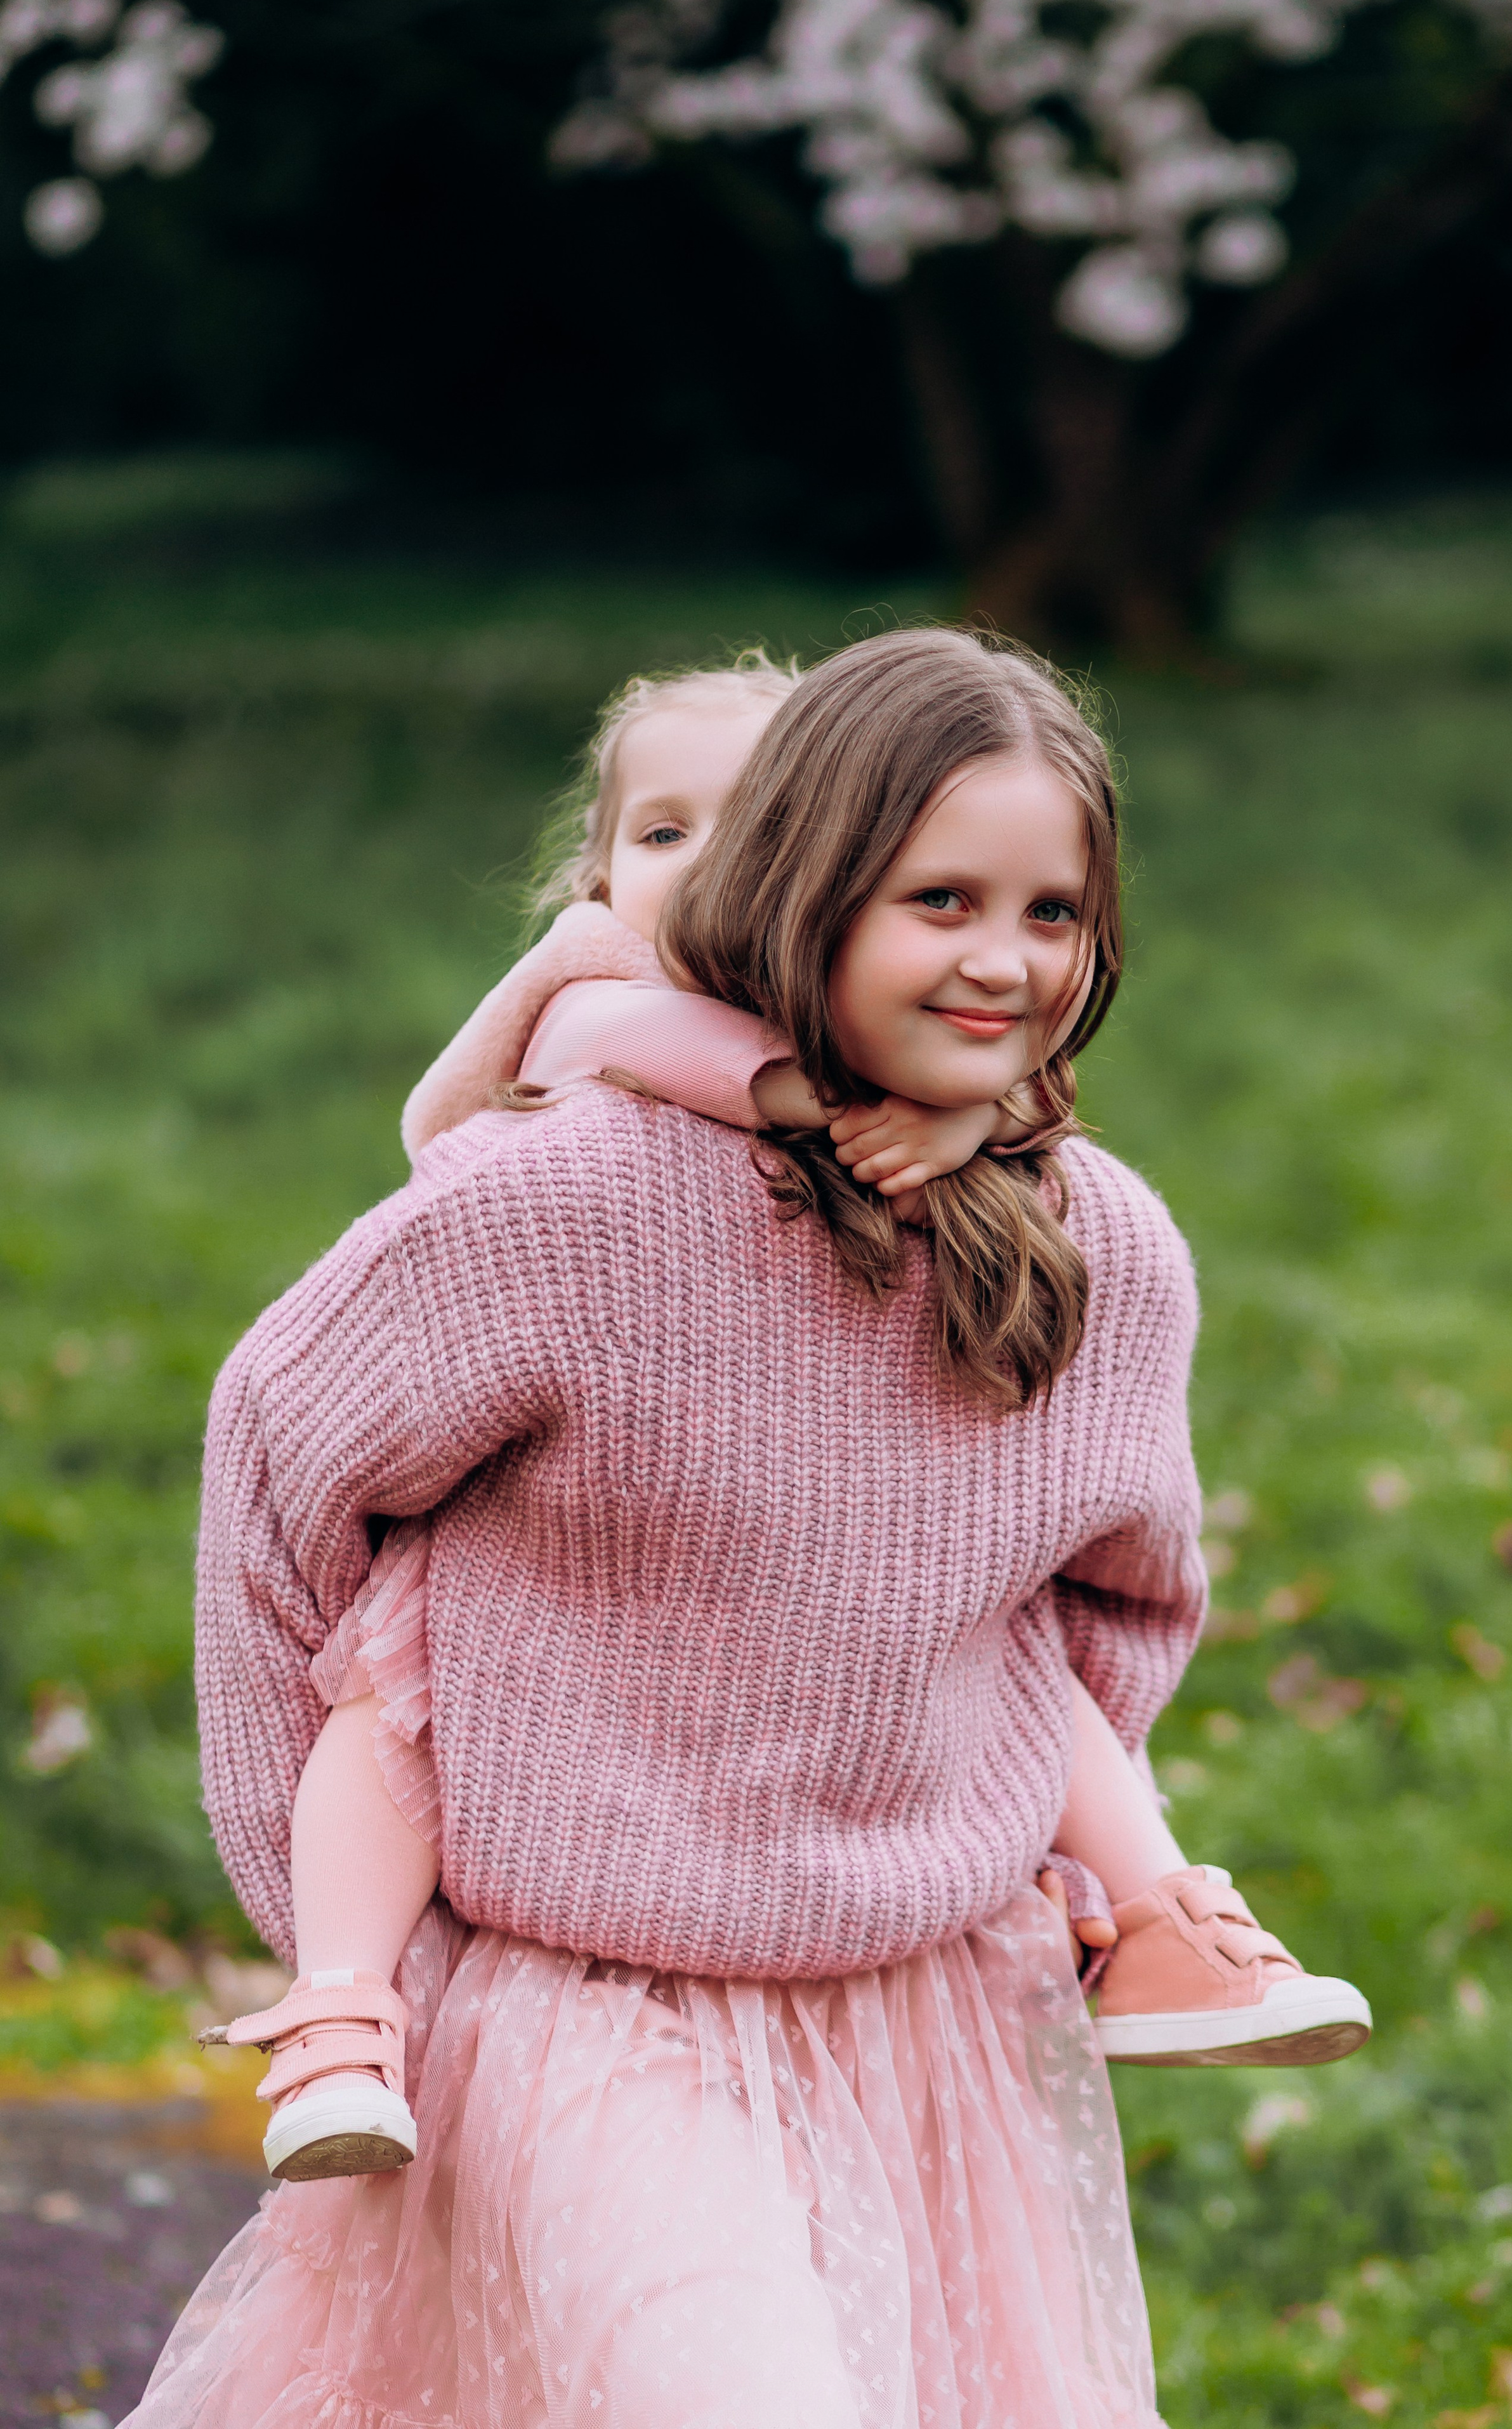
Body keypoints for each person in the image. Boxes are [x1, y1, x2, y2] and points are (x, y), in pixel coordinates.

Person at [143, 628, 1360, 2429]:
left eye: (1053, 913)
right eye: (939, 898)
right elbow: (279, 1457)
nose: (1003, 962)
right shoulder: (569, 1200)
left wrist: (981, 1832)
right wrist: (352, 1925)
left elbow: (1117, 1603)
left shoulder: (1103, 1250)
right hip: (593, 2007)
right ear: (802, 886)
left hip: (926, 2012)